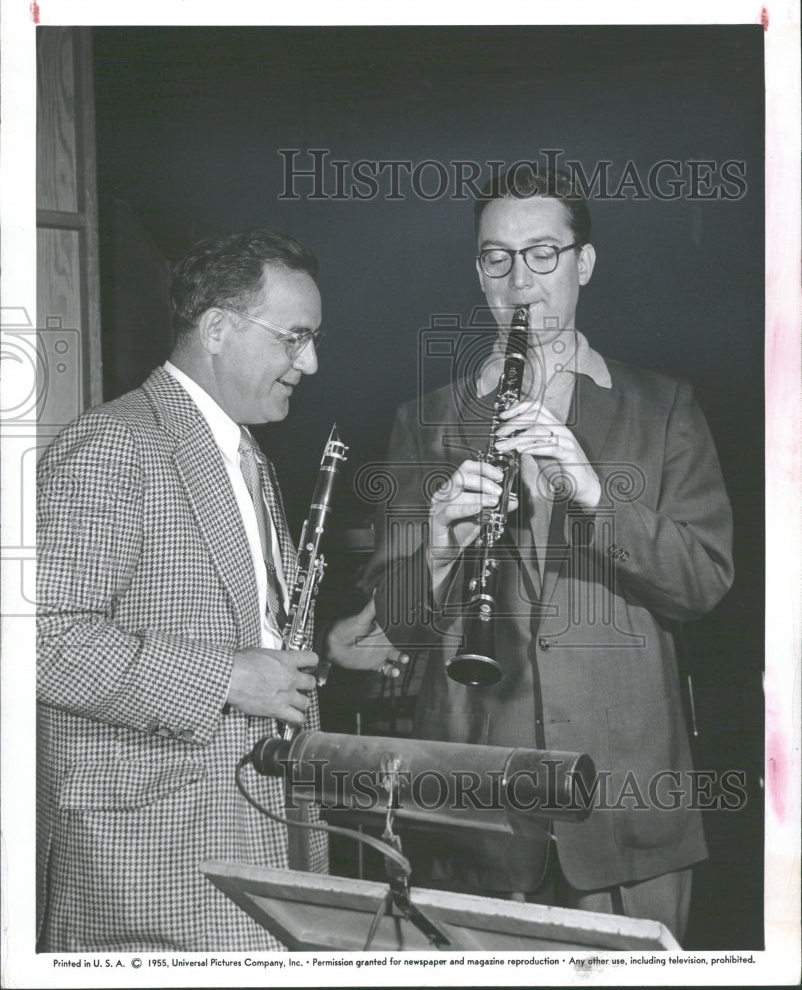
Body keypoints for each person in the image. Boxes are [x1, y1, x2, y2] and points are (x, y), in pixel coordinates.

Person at [365, 167, 734, 944]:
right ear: (478, 272)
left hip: (629, 819)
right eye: (496, 258)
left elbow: (702, 584)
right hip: (478, 822)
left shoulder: (665, 407)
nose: (519, 281)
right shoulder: (423, 422)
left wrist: (597, 495)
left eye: (542, 254)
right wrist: (436, 547)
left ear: (583, 264)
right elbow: (397, 631)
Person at [36, 228, 397, 952]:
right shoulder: (113, 444)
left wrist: (320, 660)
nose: (313, 362)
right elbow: (41, 640)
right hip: (149, 867)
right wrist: (229, 676)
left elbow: (253, 645)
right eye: (295, 338)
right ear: (219, 328)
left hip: (253, 838)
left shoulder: (247, 455)